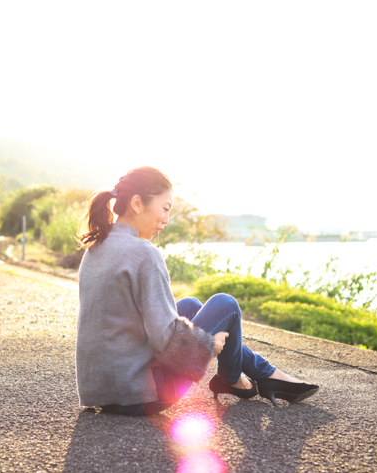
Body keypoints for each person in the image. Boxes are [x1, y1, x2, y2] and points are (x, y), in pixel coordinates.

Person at [75, 166, 318, 416]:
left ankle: (260, 374)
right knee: (226, 305)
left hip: (102, 390)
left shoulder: (95, 248)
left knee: (190, 305)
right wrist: (207, 346)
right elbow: (163, 340)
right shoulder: (145, 253)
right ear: (137, 204)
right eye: (165, 208)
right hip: (142, 394)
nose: (167, 220)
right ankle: (236, 377)